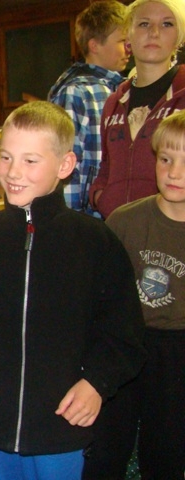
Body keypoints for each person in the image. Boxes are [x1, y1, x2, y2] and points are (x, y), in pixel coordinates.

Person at [0, 101, 146, 480]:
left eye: (30, 161)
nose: (13, 172)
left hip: (61, 421)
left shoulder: (94, 241)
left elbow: (124, 331)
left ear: (64, 165)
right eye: (6, 157)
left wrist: (97, 383)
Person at [105, 110, 185, 479]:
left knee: (166, 447)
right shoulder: (124, 221)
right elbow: (101, 293)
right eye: (166, 159)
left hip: (177, 353)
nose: (174, 173)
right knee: (108, 443)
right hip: (127, 341)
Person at [90, 0, 185, 219]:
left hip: (170, 230)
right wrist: (100, 196)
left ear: (179, 37)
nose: (154, 33)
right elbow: (106, 166)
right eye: (144, 24)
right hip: (116, 228)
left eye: (167, 24)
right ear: (128, 36)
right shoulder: (113, 103)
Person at [48, 0, 129, 217]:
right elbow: (66, 165)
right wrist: (71, 221)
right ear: (94, 45)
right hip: (86, 218)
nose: (128, 48)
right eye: (122, 41)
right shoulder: (76, 92)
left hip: (116, 214)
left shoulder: (123, 89)